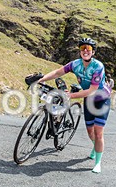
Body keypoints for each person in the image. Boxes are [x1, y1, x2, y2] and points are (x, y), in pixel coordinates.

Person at [37, 37, 111, 173]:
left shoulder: (98, 66)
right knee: (90, 132)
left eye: (88, 49)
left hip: (102, 100)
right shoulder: (75, 64)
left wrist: (70, 95)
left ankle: (98, 162)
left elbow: (92, 90)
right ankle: (96, 147)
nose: (85, 51)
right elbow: (58, 72)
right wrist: (41, 79)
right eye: (83, 48)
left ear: (93, 52)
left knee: (98, 132)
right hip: (88, 100)